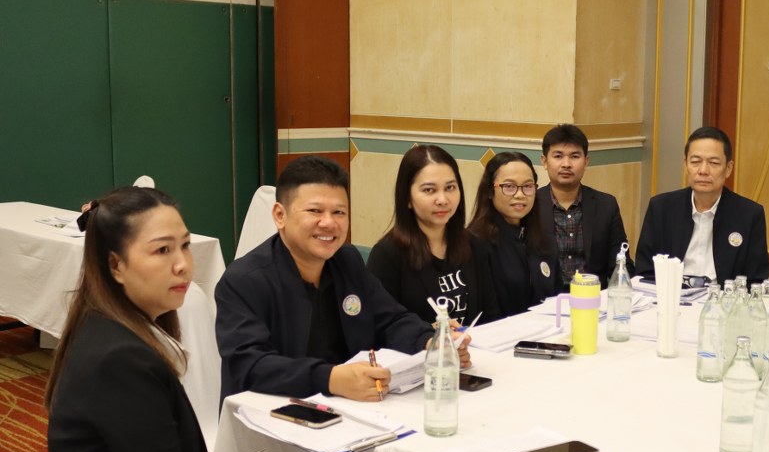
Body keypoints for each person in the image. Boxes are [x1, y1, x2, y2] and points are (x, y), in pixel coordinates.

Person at [46, 186, 353, 452]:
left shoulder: (111, 330)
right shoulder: (120, 359)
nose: (182, 264)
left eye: (185, 246)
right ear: (115, 265)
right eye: (162, 250)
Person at [216, 156, 463, 403]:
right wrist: (330, 379)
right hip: (271, 412)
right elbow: (250, 365)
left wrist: (430, 342)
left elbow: (390, 319)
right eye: (315, 211)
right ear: (280, 215)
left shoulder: (346, 260)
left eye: (339, 212)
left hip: (350, 405)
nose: (329, 223)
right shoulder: (243, 281)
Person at [367, 145, 501, 326]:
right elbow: (379, 325)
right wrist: (428, 334)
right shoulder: (387, 254)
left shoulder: (474, 245)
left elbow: (491, 317)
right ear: (407, 198)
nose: (443, 200)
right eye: (429, 190)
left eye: (450, 187)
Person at [635, 126, 769, 284]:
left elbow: (756, 280)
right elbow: (645, 270)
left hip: (722, 298)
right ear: (686, 165)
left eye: (713, 163)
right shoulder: (661, 208)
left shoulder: (749, 214)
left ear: (728, 168)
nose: (703, 170)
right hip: (671, 295)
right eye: (695, 162)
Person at [536, 124, 628, 290]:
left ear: (586, 162)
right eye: (558, 156)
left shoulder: (606, 205)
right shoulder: (532, 204)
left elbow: (620, 260)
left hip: (594, 296)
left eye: (574, 156)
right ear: (544, 161)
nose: (566, 164)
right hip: (545, 299)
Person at [469, 152, 559, 317]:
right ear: (490, 190)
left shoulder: (544, 238)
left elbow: (555, 298)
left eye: (527, 186)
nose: (520, 195)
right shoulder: (476, 243)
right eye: (509, 186)